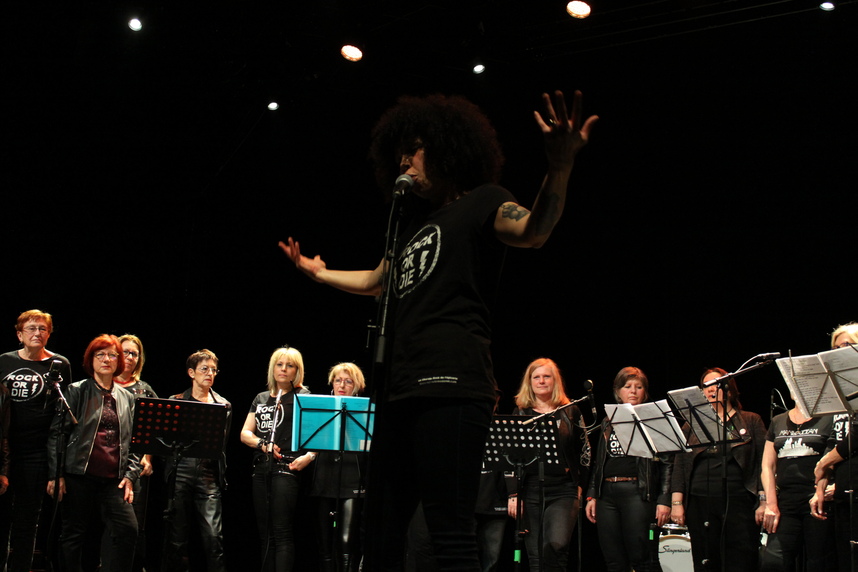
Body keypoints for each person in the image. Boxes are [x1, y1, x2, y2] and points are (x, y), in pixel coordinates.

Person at [279, 89, 597, 571]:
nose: (404, 160)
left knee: (449, 530)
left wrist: (560, 165)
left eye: (415, 149)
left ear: (448, 149)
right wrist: (320, 273)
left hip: (453, 386)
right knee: (381, 532)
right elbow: (377, 280)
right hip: (398, 389)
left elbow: (533, 231)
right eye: (399, 153)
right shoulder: (409, 224)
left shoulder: (485, 201)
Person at [46, 334, 140, 572]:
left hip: (113, 479)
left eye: (112, 355)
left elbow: (134, 442)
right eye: (100, 355)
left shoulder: (127, 397)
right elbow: (58, 434)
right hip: (79, 475)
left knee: (128, 529)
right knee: (73, 534)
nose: (106, 359)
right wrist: (56, 474)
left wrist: (130, 475)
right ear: (91, 359)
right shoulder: (76, 390)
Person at [669, 368, 767, 572]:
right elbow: (680, 465)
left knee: (740, 559)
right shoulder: (691, 424)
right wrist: (677, 503)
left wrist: (764, 500)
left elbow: (762, 462)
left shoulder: (751, 420)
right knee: (705, 559)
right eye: (706, 386)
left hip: (738, 500)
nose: (711, 389)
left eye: (717, 384)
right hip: (699, 501)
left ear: (730, 389)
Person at [0, 309, 73, 572]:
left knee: (27, 518)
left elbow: (62, 415)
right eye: (31, 328)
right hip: (4, 450)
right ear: (19, 334)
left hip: (37, 452)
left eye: (43, 329)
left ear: (49, 334)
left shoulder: (59, 364)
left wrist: (55, 468)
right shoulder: (4, 361)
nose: (37, 333)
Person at [585, 366, 671, 572]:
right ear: (618, 391)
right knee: (613, 560)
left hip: (637, 492)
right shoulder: (608, 421)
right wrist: (592, 494)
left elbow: (668, 463)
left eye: (638, 387)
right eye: (627, 386)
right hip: (607, 494)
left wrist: (664, 499)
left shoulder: (653, 419)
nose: (633, 391)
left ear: (645, 392)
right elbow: (599, 462)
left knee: (641, 557)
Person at [509, 358, 590, 572]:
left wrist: (580, 485)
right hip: (530, 489)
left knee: (556, 546)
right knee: (535, 555)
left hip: (564, 489)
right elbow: (511, 458)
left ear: (555, 381)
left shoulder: (571, 411)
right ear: (529, 382)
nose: (542, 381)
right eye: (536, 377)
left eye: (547, 376)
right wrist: (513, 494)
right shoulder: (520, 413)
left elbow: (585, 451)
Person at [240, 346, 313, 572]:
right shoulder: (261, 398)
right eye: (279, 365)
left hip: (286, 467)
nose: (283, 369)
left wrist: (309, 457)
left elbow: (318, 434)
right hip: (261, 468)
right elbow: (245, 433)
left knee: (281, 532)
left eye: (290, 366)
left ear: (297, 371)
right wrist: (262, 444)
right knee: (266, 534)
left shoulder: (303, 396)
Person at [165, 349, 231, 572]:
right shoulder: (176, 401)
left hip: (208, 473)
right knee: (177, 538)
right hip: (181, 470)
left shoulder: (223, 405)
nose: (210, 373)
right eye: (204, 369)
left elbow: (221, 445)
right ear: (191, 373)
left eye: (214, 370)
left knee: (213, 537)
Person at [759, 385, 835, 571]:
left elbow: (835, 457)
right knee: (774, 562)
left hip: (817, 499)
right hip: (785, 502)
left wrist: (830, 487)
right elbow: (767, 466)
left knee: (818, 562)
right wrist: (771, 504)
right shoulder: (778, 421)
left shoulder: (829, 417)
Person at [100, 334, 158, 572]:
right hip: (106, 463)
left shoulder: (145, 390)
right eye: (125, 352)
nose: (130, 357)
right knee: (108, 524)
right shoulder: (103, 385)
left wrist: (147, 458)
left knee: (134, 523)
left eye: (135, 353)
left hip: (133, 466)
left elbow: (153, 431)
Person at [311, 362, 369, 572]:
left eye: (348, 381)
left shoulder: (364, 411)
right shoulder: (321, 408)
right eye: (338, 380)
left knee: (346, 544)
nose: (342, 385)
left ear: (357, 386)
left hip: (352, 477)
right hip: (325, 476)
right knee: (324, 544)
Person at [811, 322, 858, 572]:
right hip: (843, 492)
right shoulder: (839, 393)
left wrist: (824, 462)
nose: (840, 352)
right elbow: (834, 438)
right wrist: (820, 487)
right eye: (836, 348)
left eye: (848, 345)